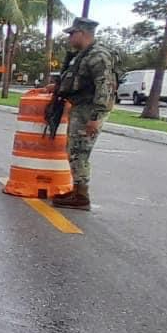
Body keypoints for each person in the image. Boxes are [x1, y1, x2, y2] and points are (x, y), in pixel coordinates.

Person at [47, 17, 117, 211]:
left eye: (72, 34)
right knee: (74, 151)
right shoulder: (84, 55)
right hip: (81, 108)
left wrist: (95, 118)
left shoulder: (98, 55)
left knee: (80, 152)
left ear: (83, 33)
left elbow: (105, 87)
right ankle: (77, 191)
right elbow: (77, 80)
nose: (69, 38)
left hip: (89, 110)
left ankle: (81, 196)